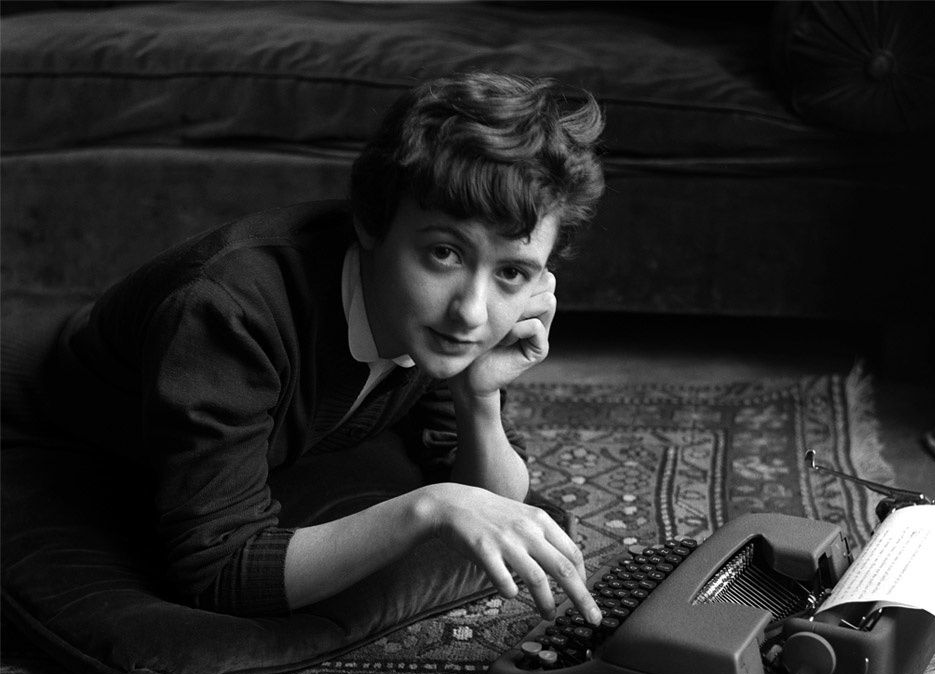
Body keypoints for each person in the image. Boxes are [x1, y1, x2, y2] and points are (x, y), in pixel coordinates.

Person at [38, 72, 606, 634]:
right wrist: (431, 507)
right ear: (370, 222)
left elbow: (494, 501)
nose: (472, 313)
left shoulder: (437, 322)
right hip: (67, 434)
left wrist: (477, 395)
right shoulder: (226, 312)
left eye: (511, 272)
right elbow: (217, 573)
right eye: (443, 254)